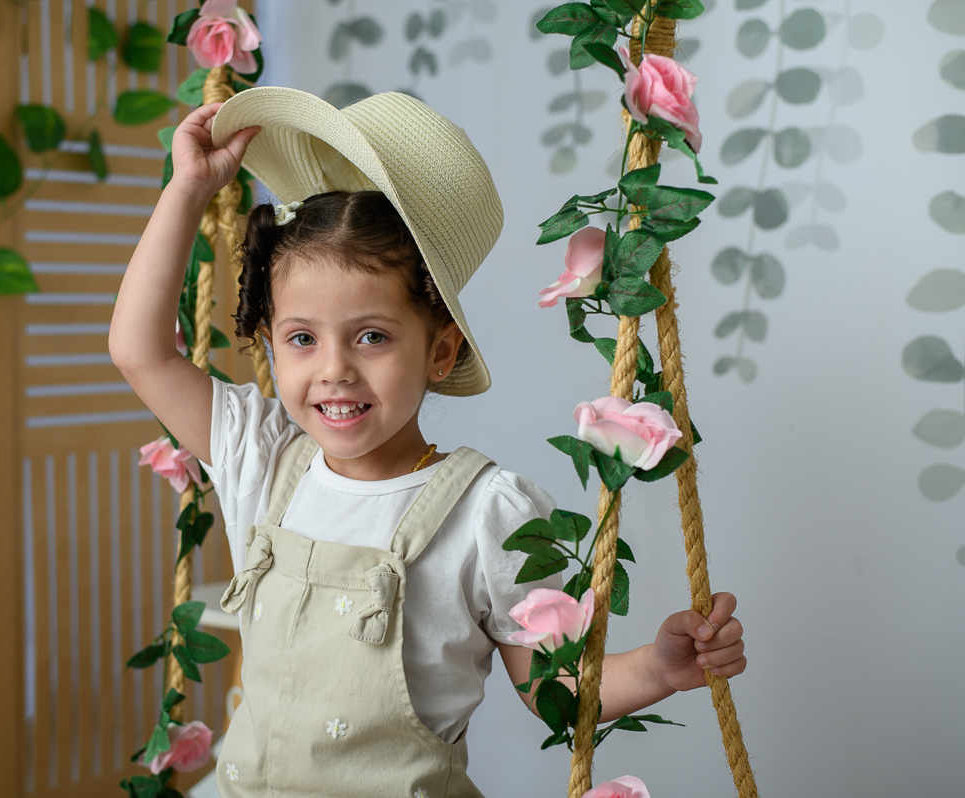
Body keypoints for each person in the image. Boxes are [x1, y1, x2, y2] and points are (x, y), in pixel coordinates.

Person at [109, 87, 746, 797]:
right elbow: (140, 350)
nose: (334, 370)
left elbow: (555, 689)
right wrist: (188, 189)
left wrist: (660, 669)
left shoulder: (485, 513)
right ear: (271, 344)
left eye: (372, 336)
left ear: (440, 352)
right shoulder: (259, 455)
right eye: (301, 338)